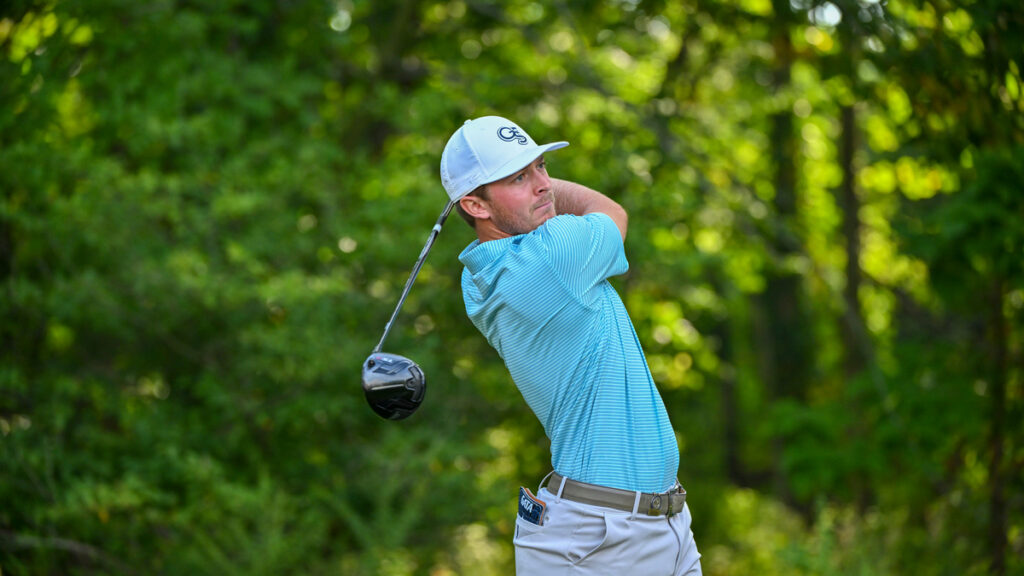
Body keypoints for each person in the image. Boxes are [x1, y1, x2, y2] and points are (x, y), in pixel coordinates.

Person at [440, 115, 702, 575]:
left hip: (659, 524)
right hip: (599, 538)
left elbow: (539, 212)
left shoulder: (480, 273)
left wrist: (523, 186)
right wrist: (546, 189)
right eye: (519, 176)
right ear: (475, 205)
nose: (544, 185)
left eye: (541, 167)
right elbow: (612, 211)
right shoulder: (552, 257)